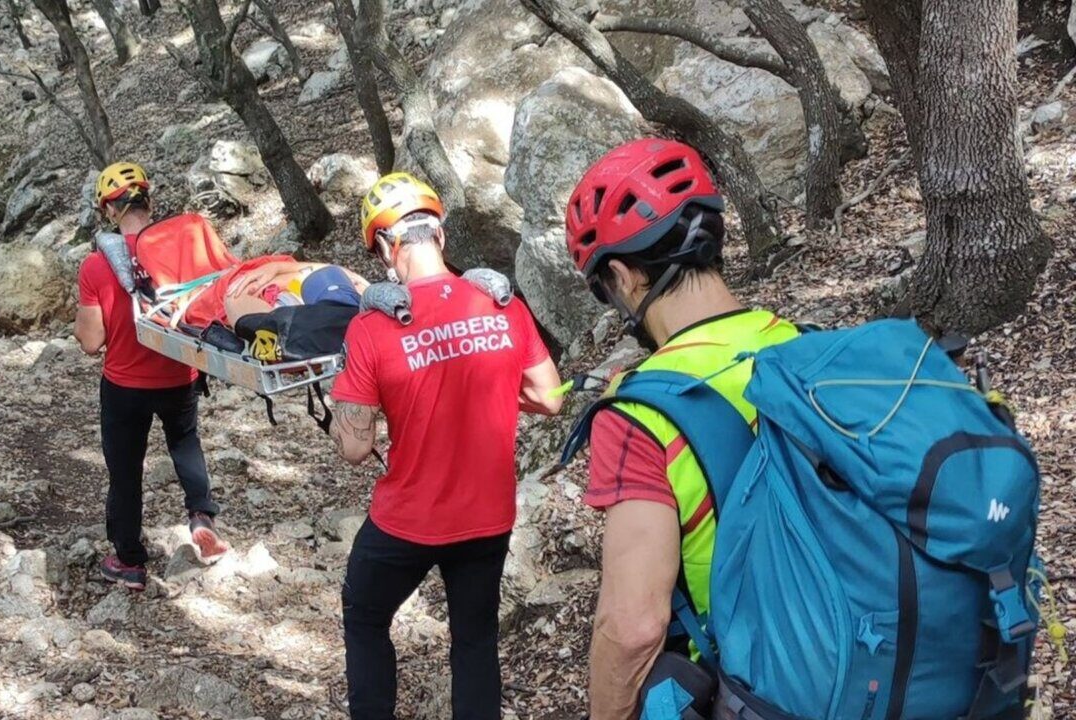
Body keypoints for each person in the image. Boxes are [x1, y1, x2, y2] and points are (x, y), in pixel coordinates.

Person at [563, 139, 799, 719]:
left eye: (604, 288)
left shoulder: (640, 413)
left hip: (755, 688)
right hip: (852, 659)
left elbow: (634, 625)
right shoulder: (800, 344)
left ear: (622, 275)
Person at [329, 173, 564, 720]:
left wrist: (351, 406)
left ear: (387, 247)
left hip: (408, 520)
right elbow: (550, 397)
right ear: (440, 236)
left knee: (364, 616)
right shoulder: (500, 303)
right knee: (475, 641)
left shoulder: (370, 330)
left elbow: (356, 448)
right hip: (488, 513)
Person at [75, 161, 229, 590]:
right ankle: (201, 514)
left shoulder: (96, 265)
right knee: (185, 443)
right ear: (150, 202)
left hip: (124, 383)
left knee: (125, 470)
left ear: (109, 211)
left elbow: (90, 341)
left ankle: (129, 561)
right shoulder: (179, 251)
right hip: (179, 374)